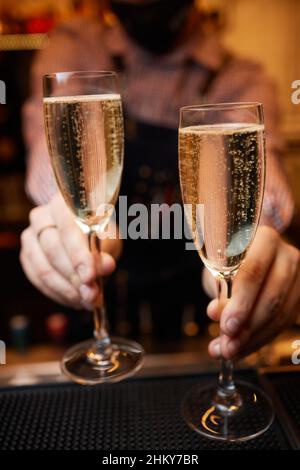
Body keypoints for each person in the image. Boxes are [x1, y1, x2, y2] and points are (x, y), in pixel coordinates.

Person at [20, 0, 300, 358]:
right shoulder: (75, 48)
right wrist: (62, 223)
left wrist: (252, 254)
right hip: (97, 324)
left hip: (198, 338)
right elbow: (57, 152)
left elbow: (256, 193)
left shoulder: (241, 78)